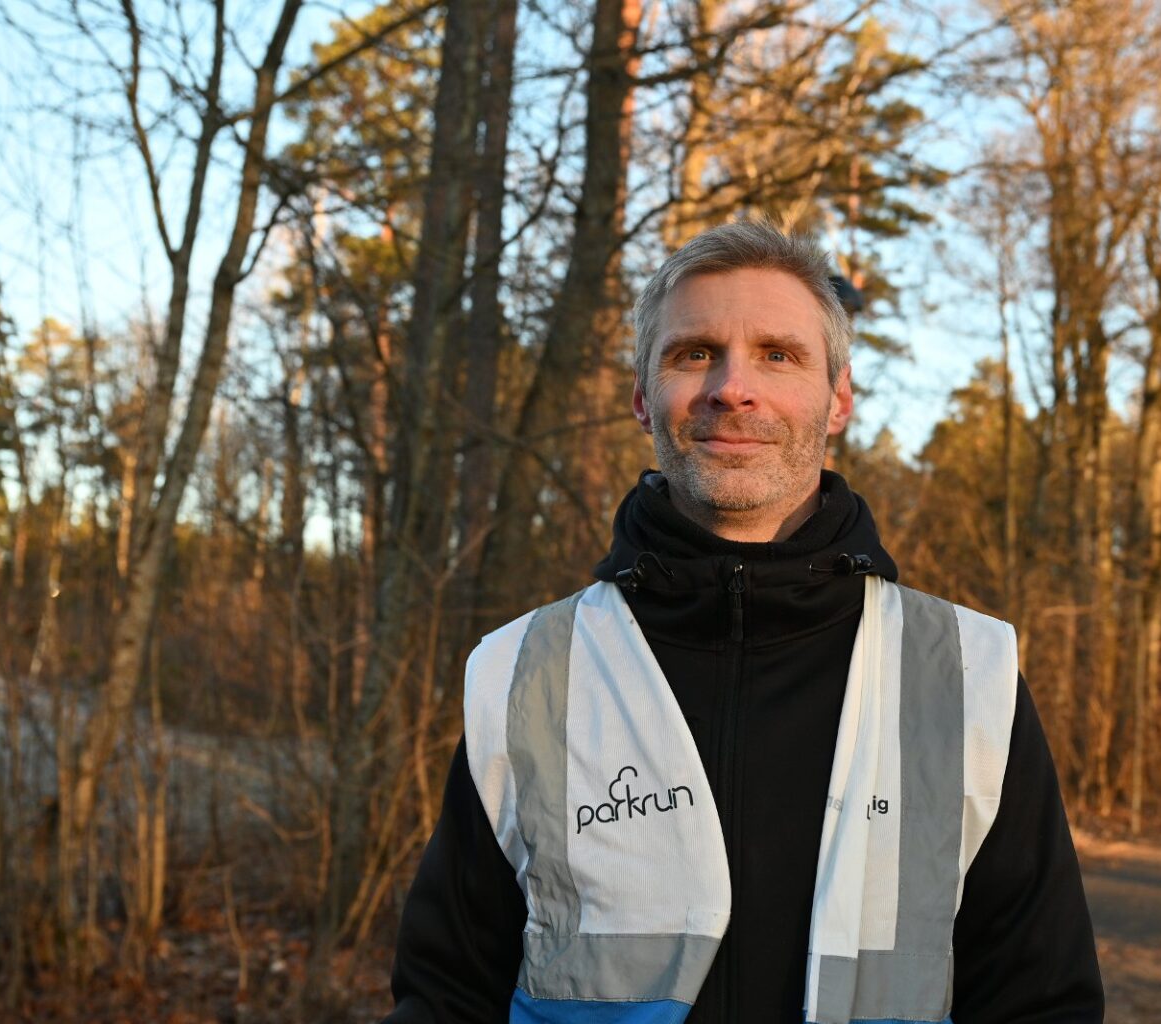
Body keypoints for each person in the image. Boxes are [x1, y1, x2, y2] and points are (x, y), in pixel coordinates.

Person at [382, 222, 1102, 1023]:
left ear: (838, 399)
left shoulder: (967, 673)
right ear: (641, 397)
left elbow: (1042, 1003)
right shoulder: (525, 673)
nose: (732, 388)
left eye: (778, 355)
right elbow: (447, 996)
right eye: (694, 353)